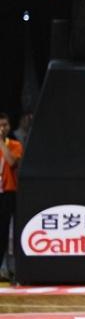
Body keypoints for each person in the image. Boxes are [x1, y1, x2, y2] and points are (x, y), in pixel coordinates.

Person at [0, 113, 23, 275]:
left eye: (5, 125)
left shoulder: (15, 145)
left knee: (5, 232)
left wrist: (1, 141)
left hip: (7, 192)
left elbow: (11, 162)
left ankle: (7, 268)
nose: (2, 128)